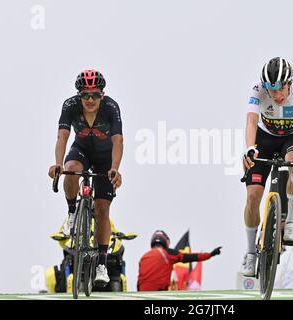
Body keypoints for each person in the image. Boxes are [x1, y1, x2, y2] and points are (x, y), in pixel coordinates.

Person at [241, 57, 293, 276]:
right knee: (253, 196)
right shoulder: (257, 89)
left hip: (292, 137)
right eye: (271, 91)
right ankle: (250, 253)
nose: (276, 96)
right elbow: (250, 122)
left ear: (289, 83)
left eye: (280, 90)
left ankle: (292, 221)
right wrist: (249, 148)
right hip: (263, 140)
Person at [48, 69, 123, 286]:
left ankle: (101, 263)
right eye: (85, 95)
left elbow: (118, 141)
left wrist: (115, 168)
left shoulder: (111, 108)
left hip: (105, 158)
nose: (90, 100)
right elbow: (62, 137)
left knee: (102, 209)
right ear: (78, 95)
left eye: (95, 95)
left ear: (102, 94)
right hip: (80, 151)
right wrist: (58, 164)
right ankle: (72, 212)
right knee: (71, 169)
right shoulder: (70, 106)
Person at [137, 230, 222, 291]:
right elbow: (190, 257)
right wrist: (210, 254)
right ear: (165, 241)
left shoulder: (143, 257)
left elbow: (139, 280)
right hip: (159, 292)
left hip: (143, 293)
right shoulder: (167, 253)